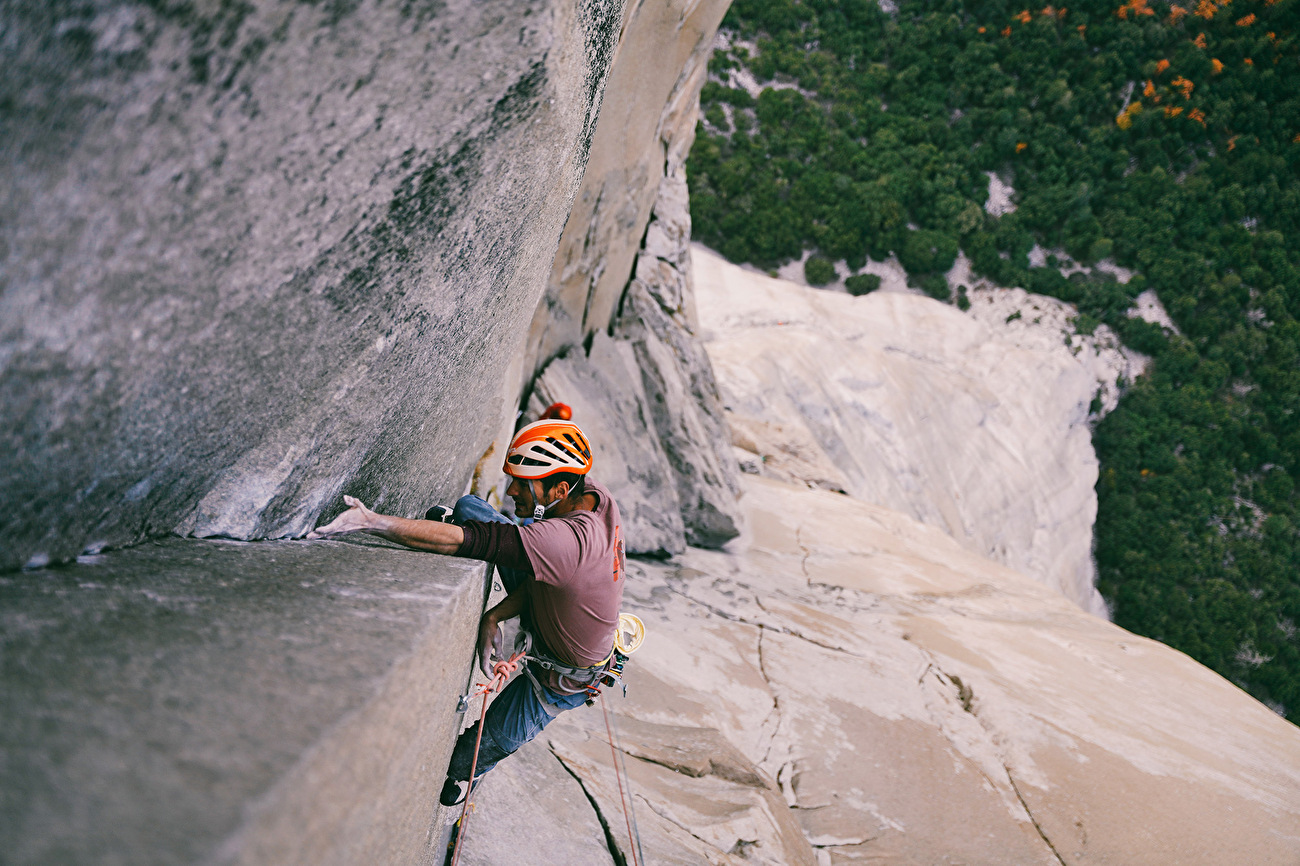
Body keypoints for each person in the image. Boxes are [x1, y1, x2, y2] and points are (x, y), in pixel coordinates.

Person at [307, 418, 625, 806]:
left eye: (523, 485)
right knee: (471, 507)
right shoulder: (591, 494)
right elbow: (550, 576)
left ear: (559, 489)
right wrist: (493, 616)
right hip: (553, 597)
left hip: (561, 681)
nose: (511, 492)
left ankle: (468, 775)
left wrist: (372, 522)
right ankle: (454, 529)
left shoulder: (569, 541)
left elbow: (466, 544)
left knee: (464, 760)